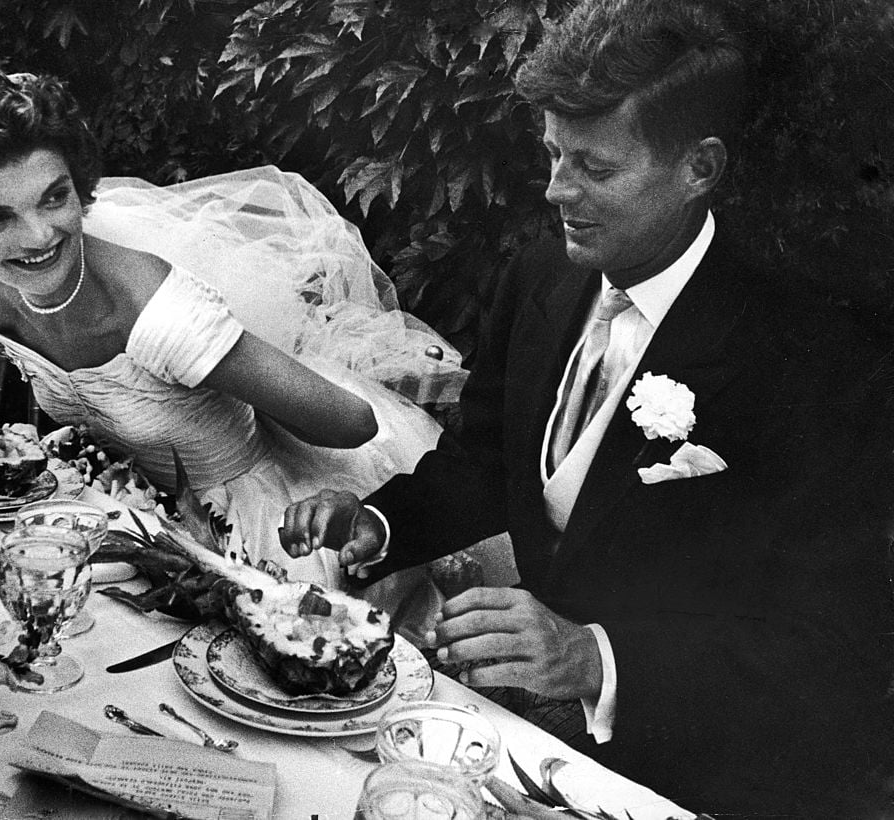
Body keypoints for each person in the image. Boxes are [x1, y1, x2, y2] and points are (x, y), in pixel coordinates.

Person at [280, 0, 894, 814]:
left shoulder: (812, 362)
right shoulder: (542, 275)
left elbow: (830, 646)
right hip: (544, 742)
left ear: (698, 169)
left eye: (595, 168)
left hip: (714, 766)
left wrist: (595, 659)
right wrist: (383, 524)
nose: (556, 191)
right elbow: (490, 458)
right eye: (552, 155)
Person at [0, 66, 466, 589]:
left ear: (80, 188)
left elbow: (353, 423)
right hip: (147, 525)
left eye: (55, 198)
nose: (39, 236)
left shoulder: (160, 315)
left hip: (264, 534)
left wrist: (229, 368)